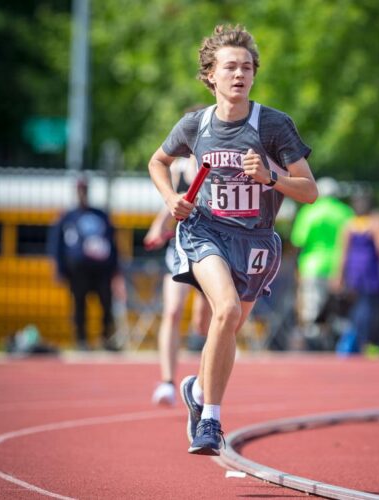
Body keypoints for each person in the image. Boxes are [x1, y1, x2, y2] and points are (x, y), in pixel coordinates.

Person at [148, 24, 317, 455]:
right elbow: (158, 161)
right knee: (223, 311)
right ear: (211, 75)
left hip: (256, 240)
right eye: (230, 67)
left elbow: (309, 190)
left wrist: (271, 177)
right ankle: (210, 421)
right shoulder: (195, 125)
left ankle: (198, 390)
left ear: (254, 75)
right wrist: (171, 200)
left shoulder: (274, 125)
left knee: (231, 325)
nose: (239, 74)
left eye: (246, 67)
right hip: (206, 231)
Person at [146, 154, 212, 406]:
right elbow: (170, 199)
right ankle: (167, 382)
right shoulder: (180, 166)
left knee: (202, 324)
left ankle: (203, 381)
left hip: (211, 249)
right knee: (172, 311)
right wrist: (157, 226)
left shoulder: (219, 160)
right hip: (180, 248)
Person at [48, 175, 123, 351]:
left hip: (101, 270)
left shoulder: (101, 215)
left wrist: (115, 269)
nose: (82, 193)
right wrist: (59, 269)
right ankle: (81, 339)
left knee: (106, 303)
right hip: (78, 270)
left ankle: (107, 338)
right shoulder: (68, 217)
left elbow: (113, 243)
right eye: (80, 190)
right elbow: (57, 244)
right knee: (79, 305)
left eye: (85, 190)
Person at [290, 177, 353, 349]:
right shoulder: (345, 212)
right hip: (339, 267)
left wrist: (296, 269)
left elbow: (298, 243)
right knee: (337, 310)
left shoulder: (309, 212)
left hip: (312, 266)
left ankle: (315, 346)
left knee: (313, 309)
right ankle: (335, 346)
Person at [335, 189, 379, 354]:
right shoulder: (376, 222)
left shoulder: (349, 224)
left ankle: (356, 340)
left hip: (353, 270)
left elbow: (342, 252)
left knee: (357, 306)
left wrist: (338, 275)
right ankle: (364, 341)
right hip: (370, 270)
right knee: (369, 307)